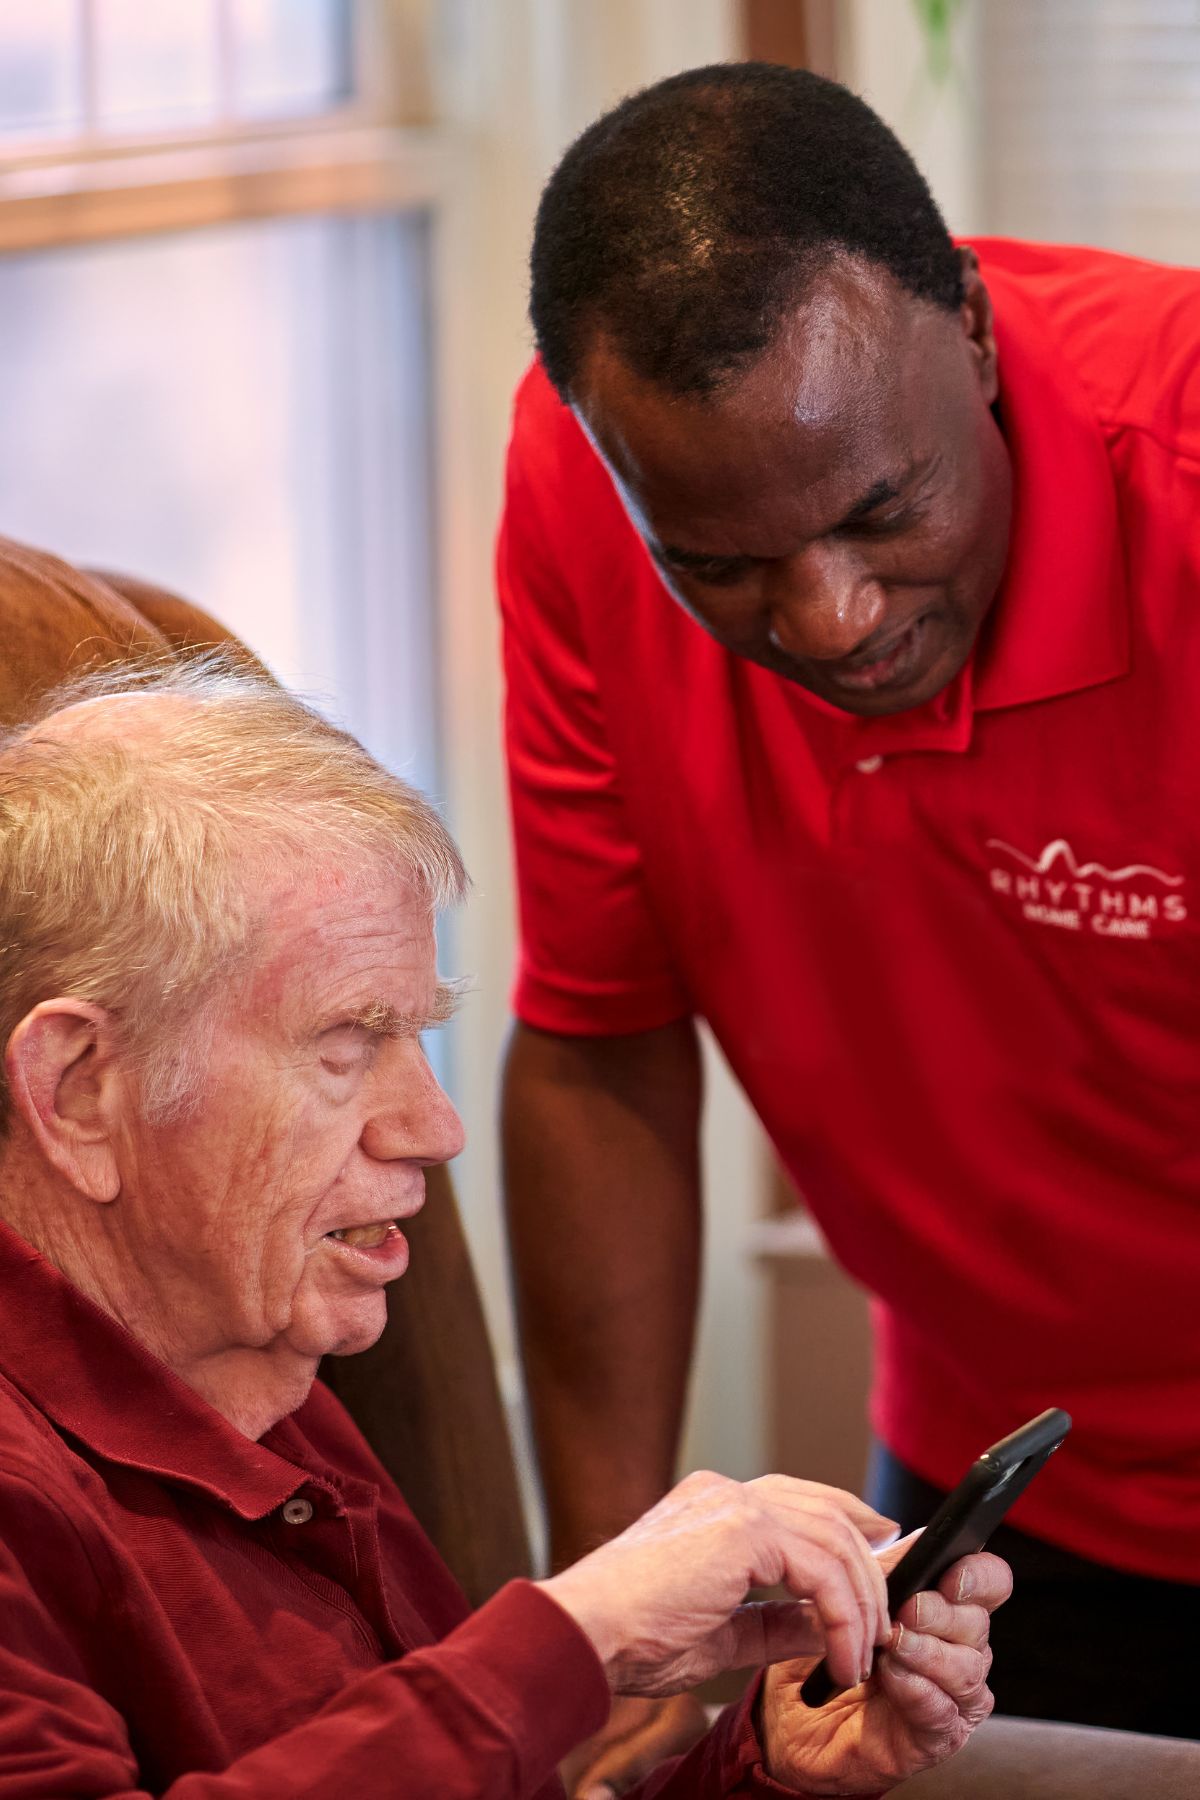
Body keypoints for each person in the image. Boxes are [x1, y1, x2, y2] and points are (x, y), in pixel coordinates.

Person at [496, 60, 1200, 1787]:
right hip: (1004, 1483)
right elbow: (602, 1035)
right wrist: (619, 1619)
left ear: (968, 328)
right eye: (720, 565)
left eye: (884, 511)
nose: (828, 618)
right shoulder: (587, 477)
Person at [0, 660, 1008, 1800]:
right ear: (79, 1087)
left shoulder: (268, 1384)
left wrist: (758, 1769)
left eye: (417, 1034)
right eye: (347, 1040)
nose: (435, 1128)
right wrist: (577, 1636)